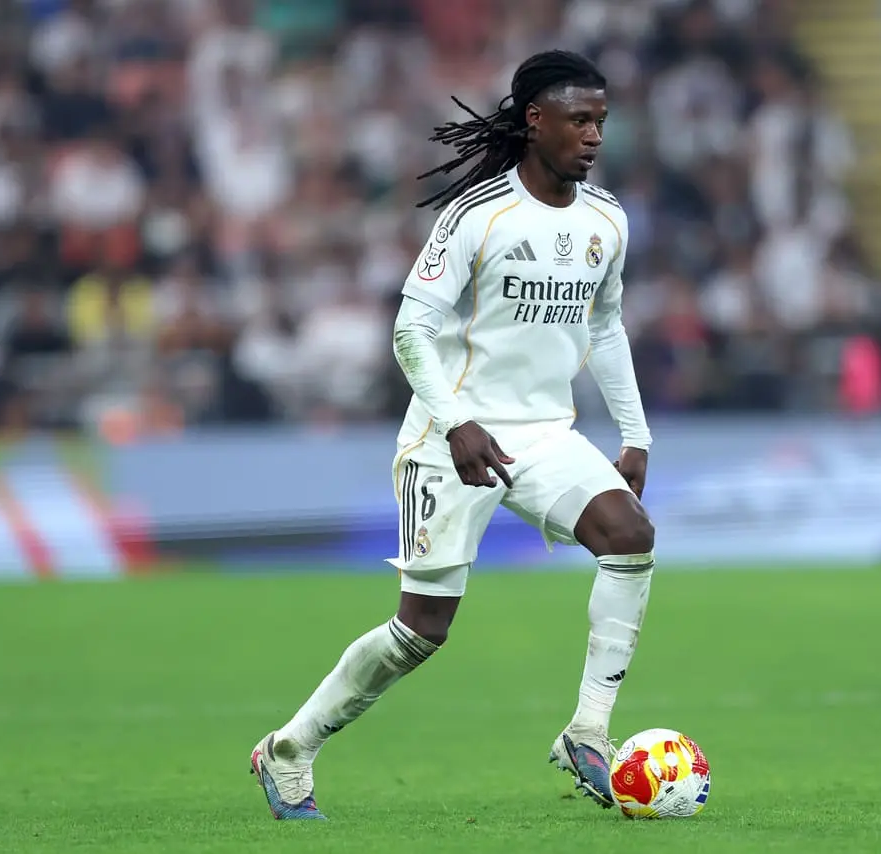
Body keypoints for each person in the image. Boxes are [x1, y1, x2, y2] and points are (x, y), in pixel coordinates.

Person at [250, 50, 655, 820]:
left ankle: (588, 732)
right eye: (579, 120)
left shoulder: (608, 220)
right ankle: (290, 747)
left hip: (544, 434)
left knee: (630, 535)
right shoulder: (477, 216)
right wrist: (457, 421)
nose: (594, 136)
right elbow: (411, 331)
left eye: (601, 121)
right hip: (450, 436)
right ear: (535, 121)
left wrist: (634, 435)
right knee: (421, 631)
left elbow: (605, 326)